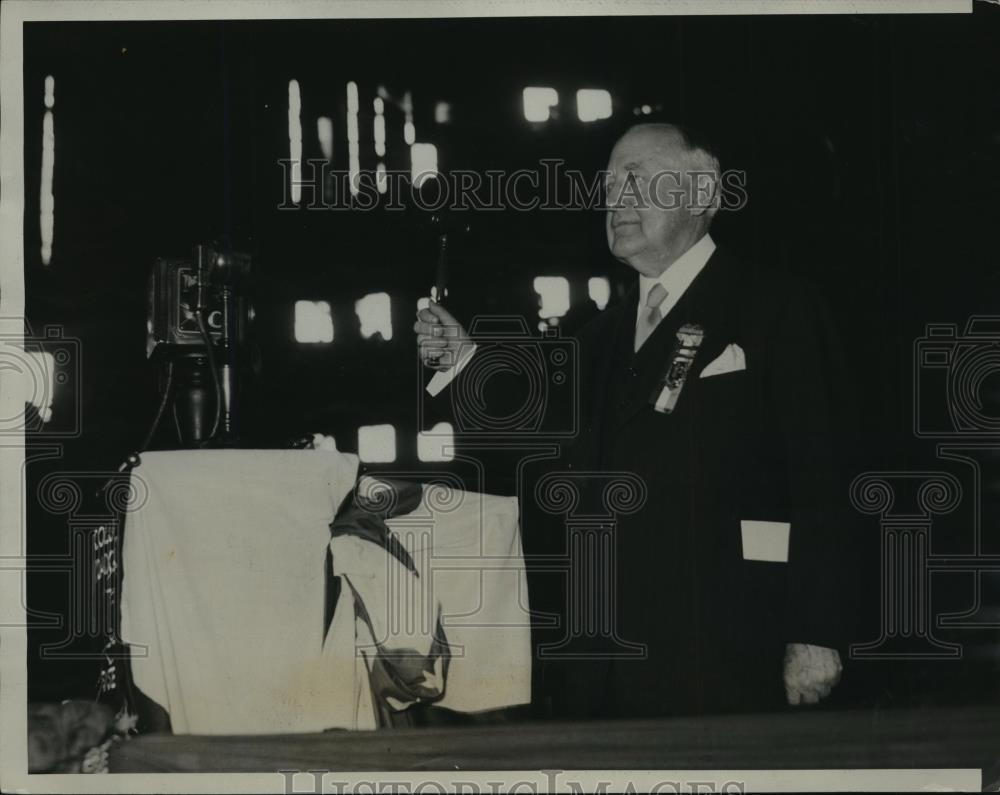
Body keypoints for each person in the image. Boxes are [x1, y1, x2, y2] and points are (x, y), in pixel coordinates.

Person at [414, 123, 852, 718]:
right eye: (609, 183)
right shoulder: (601, 334)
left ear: (703, 194)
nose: (615, 198)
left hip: (732, 647)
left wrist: (816, 630)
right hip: (606, 659)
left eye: (637, 179)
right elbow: (540, 432)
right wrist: (464, 357)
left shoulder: (776, 307)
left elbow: (823, 480)